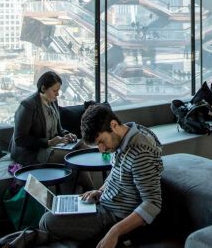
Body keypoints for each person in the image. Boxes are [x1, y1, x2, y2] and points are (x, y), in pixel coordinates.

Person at [40, 105, 163, 248]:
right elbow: (117, 173)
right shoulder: (124, 137)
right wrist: (100, 191)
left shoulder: (140, 153)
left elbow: (152, 203)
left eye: (101, 142)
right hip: (103, 204)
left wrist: (114, 232)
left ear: (114, 125)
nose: (101, 149)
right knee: (54, 209)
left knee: (47, 220)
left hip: (114, 217)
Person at [10, 71, 78, 166]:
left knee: (83, 147)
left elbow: (58, 129)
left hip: (51, 147)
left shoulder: (53, 101)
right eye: (54, 91)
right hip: (32, 152)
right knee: (74, 157)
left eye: (58, 91)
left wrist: (67, 134)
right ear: (43, 88)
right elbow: (20, 139)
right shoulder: (28, 106)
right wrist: (49, 142)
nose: (57, 94)